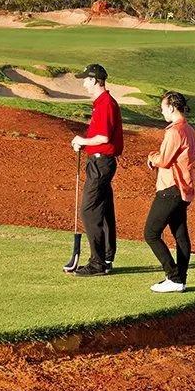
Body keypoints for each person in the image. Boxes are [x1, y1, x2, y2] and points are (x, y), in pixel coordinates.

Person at [69, 63, 122, 276]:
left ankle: (97, 263)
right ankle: (106, 258)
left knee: (89, 210)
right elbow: (100, 138)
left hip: (101, 163)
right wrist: (85, 144)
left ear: (93, 80)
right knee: (104, 209)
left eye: (85, 79)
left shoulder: (105, 103)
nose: (83, 84)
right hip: (101, 161)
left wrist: (82, 140)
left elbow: (104, 137)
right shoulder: (102, 102)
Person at [145, 91, 195, 293]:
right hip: (183, 189)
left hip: (171, 188)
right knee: (180, 235)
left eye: (163, 108)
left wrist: (152, 157)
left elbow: (164, 160)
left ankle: (174, 277)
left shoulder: (175, 131)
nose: (162, 112)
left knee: (151, 233)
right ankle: (179, 280)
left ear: (171, 107)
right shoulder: (190, 130)